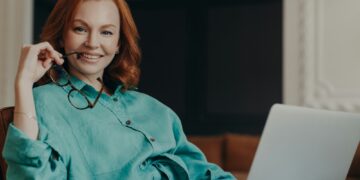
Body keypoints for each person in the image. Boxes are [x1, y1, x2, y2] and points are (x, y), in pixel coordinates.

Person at [2, 0, 236, 179]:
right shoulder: (45, 101)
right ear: (62, 37)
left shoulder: (155, 109)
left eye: (106, 32)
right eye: (80, 29)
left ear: (118, 44)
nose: (93, 43)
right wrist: (23, 82)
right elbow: (29, 173)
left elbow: (202, 171)